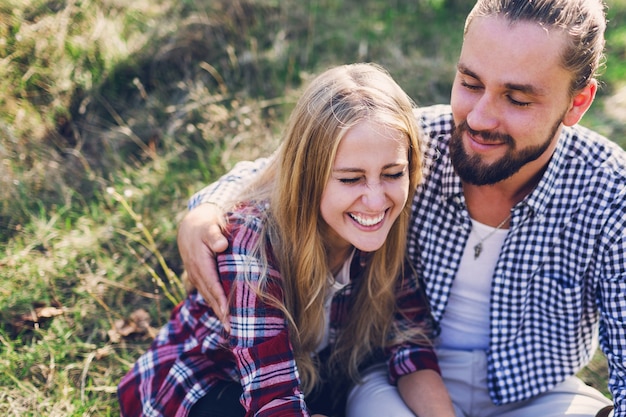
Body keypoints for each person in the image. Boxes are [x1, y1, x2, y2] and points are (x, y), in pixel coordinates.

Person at [175, 0, 626, 416]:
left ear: (577, 102)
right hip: (395, 380)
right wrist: (206, 209)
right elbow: (283, 170)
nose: (480, 118)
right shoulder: (411, 144)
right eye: (470, 83)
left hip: (537, 394)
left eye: (518, 98)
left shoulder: (611, 193)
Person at [118, 63, 455, 417]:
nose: (375, 199)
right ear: (307, 176)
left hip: (309, 380)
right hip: (210, 385)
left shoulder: (388, 229)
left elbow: (409, 350)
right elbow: (272, 398)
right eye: (350, 179)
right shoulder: (252, 241)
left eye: (393, 173)